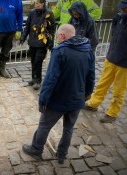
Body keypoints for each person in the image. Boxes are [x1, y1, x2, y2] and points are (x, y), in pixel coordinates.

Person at [22, 24, 95, 164]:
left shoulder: (60, 51)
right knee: (68, 128)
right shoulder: (88, 50)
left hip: (58, 99)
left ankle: (36, 150)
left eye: (57, 36)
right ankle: (62, 154)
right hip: (76, 99)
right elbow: (91, 76)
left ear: (62, 36)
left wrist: (43, 99)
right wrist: (87, 94)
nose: (56, 39)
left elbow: (50, 78)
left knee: (44, 125)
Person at [20, 0, 55, 90]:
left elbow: (51, 29)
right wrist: (23, 37)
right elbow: (27, 26)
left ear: (43, 3)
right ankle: (34, 78)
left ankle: (37, 80)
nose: (37, 5)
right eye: (35, 3)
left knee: (38, 61)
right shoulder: (32, 13)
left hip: (42, 43)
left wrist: (50, 42)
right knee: (33, 61)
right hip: (32, 41)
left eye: (39, 3)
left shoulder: (48, 13)